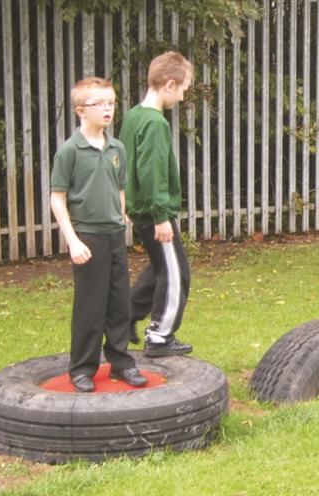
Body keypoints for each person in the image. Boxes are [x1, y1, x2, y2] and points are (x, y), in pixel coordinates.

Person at [50, 77, 148, 392]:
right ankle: (82, 368)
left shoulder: (116, 147)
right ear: (81, 110)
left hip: (114, 236)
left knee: (120, 304)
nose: (107, 109)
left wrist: (122, 220)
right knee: (90, 307)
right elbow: (57, 198)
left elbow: (120, 188)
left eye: (111, 103)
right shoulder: (70, 151)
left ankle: (121, 363)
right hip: (87, 238)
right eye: (99, 104)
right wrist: (73, 240)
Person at [119, 51, 194, 357]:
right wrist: (162, 216)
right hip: (154, 212)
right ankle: (160, 336)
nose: (182, 95)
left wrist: (124, 198)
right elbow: (152, 173)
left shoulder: (134, 115)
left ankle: (124, 318)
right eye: (183, 89)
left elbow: (121, 160)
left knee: (160, 266)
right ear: (169, 84)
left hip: (140, 207)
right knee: (177, 273)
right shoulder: (155, 123)